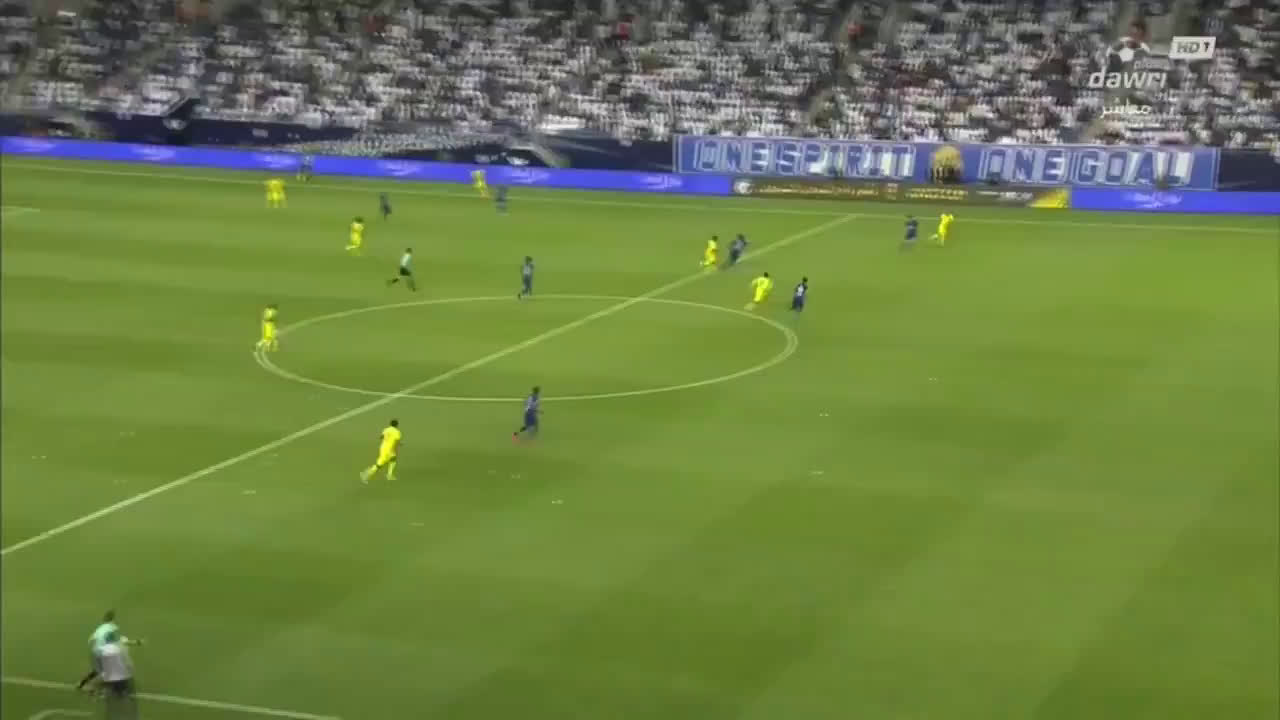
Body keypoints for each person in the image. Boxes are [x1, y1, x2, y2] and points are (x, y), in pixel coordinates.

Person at [97, 630, 139, 718]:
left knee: (113, 689)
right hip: (121, 675)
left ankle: (109, 693)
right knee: (122, 691)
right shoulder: (119, 646)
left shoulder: (103, 649)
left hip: (109, 676)